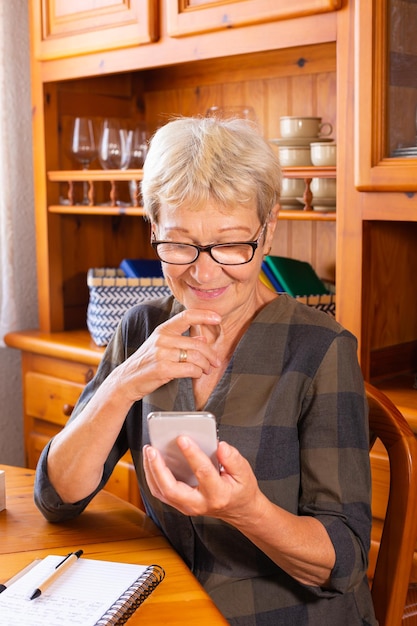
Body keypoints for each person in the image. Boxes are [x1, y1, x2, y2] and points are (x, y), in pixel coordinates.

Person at [34, 116, 377, 625]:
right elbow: (57, 497)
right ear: (154, 230)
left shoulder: (320, 349)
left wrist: (247, 510)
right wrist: (125, 381)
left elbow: (345, 560)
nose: (204, 270)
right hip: (172, 607)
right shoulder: (142, 329)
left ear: (269, 228)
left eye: (231, 243)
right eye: (179, 243)